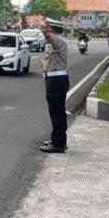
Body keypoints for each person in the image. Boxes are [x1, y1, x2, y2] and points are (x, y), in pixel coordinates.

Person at [40, 18, 69, 154]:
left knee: (56, 112)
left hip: (56, 81)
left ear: (52, 30)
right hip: (55, 80)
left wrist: (47, 34)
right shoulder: (55, 43)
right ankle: (59, 140)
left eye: (49, 28)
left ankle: (58, 143)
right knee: (57, 111)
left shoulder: (58, 41)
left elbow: (52, 39)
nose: (47, 30)